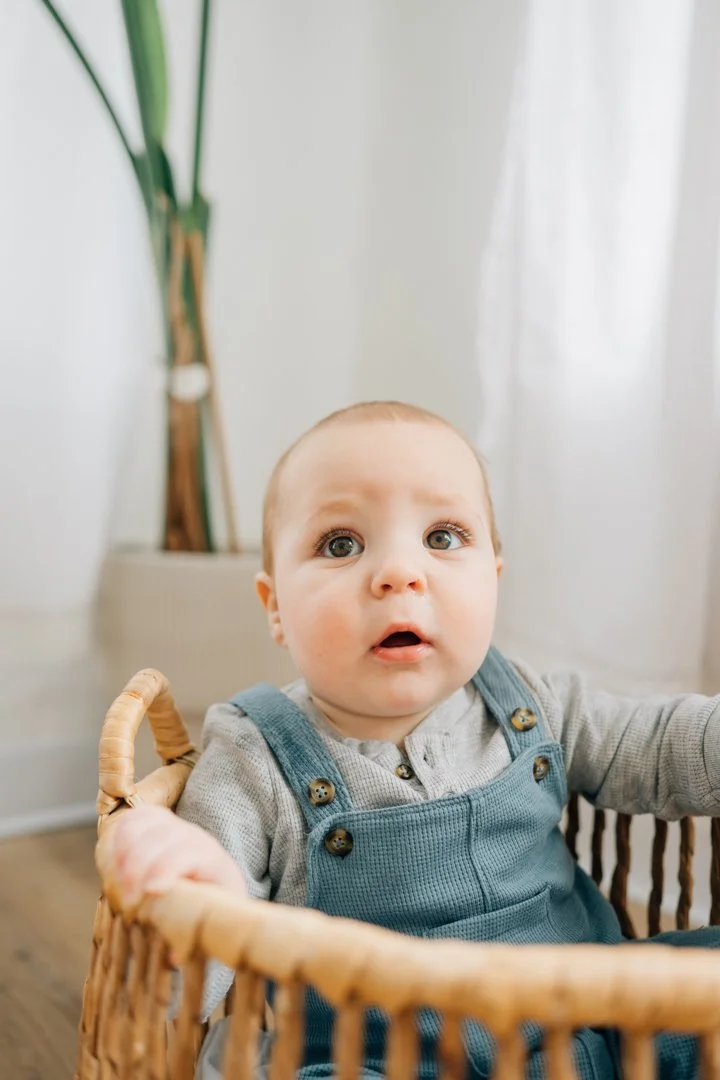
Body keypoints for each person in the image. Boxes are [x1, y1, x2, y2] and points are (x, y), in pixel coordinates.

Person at [107, 400, 720, 1080]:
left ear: (493, 576)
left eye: (443, 536)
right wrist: (196, 894)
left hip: (600, 1032)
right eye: (341, 544)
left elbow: (664, 748)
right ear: (275, 605)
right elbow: (193, 973)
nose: (399, 573)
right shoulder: (255, 756)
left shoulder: (531, 703)